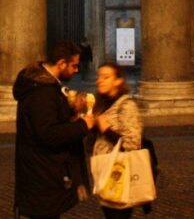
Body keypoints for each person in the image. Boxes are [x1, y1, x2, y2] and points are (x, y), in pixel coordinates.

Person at [13, 40, 96, 219]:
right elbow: (48, 134)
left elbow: (46, 120)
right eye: (73, 65)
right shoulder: (42, 93)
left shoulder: (45, 86)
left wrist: (70, 111)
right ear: (61, 63)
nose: (76, 70)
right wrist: (84, 125)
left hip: (41, 173)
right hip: (42, 175)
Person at [89, 62, 144, 219]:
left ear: (118, 81)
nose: (100, 80)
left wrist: (105, 128)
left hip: (120, 175)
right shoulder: (101, 105)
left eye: (106, 77)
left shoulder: (127, 106)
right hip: (104, 172)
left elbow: (133, 144)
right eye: (99, 76)